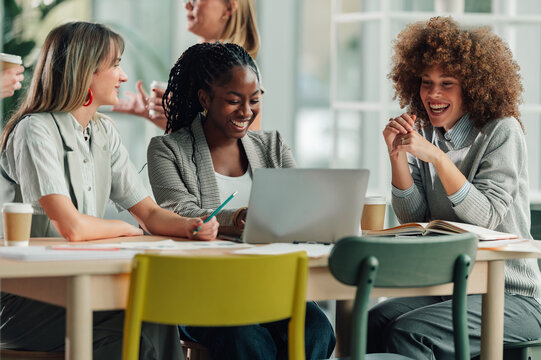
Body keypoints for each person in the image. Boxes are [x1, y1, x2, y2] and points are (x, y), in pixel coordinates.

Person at [0, 21, 219, 358]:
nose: (124, 76)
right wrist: (126, 230)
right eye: (116, 64)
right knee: (138, 326)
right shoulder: (35, 130)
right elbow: (71, 227)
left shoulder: (104, 132)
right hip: (26, 301)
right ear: (86, 71)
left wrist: (191, 225)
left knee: (152, 316)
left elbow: (148, 213)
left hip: (82, 285)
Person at [147, 42, 335, 360]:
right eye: (234, 101)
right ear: (205, 99)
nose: (247, 112)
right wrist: (238, 218)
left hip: (272, 286)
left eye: (255, 100)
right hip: (204, 293)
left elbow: (298, 206)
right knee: (245, 338)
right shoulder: (167, 150)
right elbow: (179, 210)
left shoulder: (272, 146)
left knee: (316, 329)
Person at [374, 16, 541, 359]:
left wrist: (436, 157)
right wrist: (396, 158)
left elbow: (488, 216)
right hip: (450, 289)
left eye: (447, 83)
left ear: (474, 85)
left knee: (409, 333)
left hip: (511, 295)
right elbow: (416, 217)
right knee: (374, 320)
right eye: (426, 82)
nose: (433, 94)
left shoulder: (501, 131)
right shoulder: (424, 132)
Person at [112, 0, 260, 130]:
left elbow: (240, 149)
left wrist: (178, 119)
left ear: (228, 8)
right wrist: (157, 114)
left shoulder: (241, 70)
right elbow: (196, 145)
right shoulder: (196, 64)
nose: (187, 5)